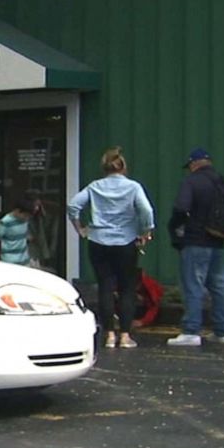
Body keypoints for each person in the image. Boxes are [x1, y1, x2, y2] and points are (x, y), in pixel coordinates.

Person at [68, 146, 155, 349]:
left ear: (104, 168)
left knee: (105, 287)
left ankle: (109, 335)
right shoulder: (133, 187)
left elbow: (73, 206)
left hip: (98, 240)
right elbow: (146, 210)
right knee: (126, 289)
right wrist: (145, 231)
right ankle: (125, 335)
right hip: (126, 241)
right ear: (123, 168)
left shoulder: (94, 186)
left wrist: (79, 227)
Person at [165, 148, 224, 346]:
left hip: (195, 240)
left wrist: (174, 228)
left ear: (194, 163)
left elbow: (181, 208)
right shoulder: (222, 181)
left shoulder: (192, 181)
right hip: (218, 240)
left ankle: (191, 331)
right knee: (219, 285)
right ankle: (222, 331)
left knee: (193, 285)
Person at [0, 196, 37, 266]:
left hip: (24, 259)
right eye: (25, 215)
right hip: (9, 259)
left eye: (28, 216)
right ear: (17, 211)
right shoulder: (5, 222)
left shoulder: (25, 220)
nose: (26, 218)